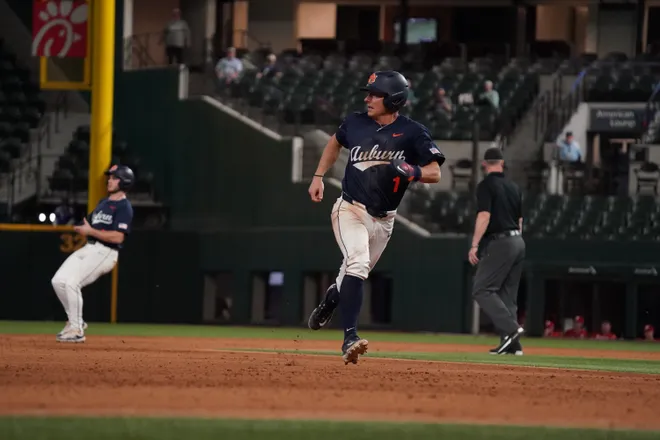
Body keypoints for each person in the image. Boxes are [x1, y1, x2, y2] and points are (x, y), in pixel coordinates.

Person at [306, 71, 445, 365]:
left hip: (385, 220)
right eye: (368, 93)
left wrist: (414, 172)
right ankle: (350, 338)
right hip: (350, 208)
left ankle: (332, 299)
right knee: (357, 263)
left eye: (375, 94)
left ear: (393, 99)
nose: (367, 98)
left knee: (353, 272)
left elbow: (436, 172)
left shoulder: (413, 132)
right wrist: (319, 175)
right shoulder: (356, 122)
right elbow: (335, 142)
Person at [51, 165, 135, 343]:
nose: (109, 180)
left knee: (73, 283)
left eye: (114, 177)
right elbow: (89, 225)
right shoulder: (103, 203)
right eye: (110, 177)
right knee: (58, 281)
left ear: (124, 181)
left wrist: (91, 232)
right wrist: (83, 228)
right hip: (90, 248)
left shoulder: (124, 207)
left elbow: (118, 237)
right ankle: (76, 321)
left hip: (105, 252)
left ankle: (76, 330)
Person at [468, 147, 525, 355]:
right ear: (502, 163)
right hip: (518, 241)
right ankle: (513, 346)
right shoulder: (514, 186)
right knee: (507, 295)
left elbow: (484, 215)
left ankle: (511, 330)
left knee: (482, 289)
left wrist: (474, 244)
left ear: (484, 164)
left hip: (500, 241)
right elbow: (520, 221)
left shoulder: (486, 185)